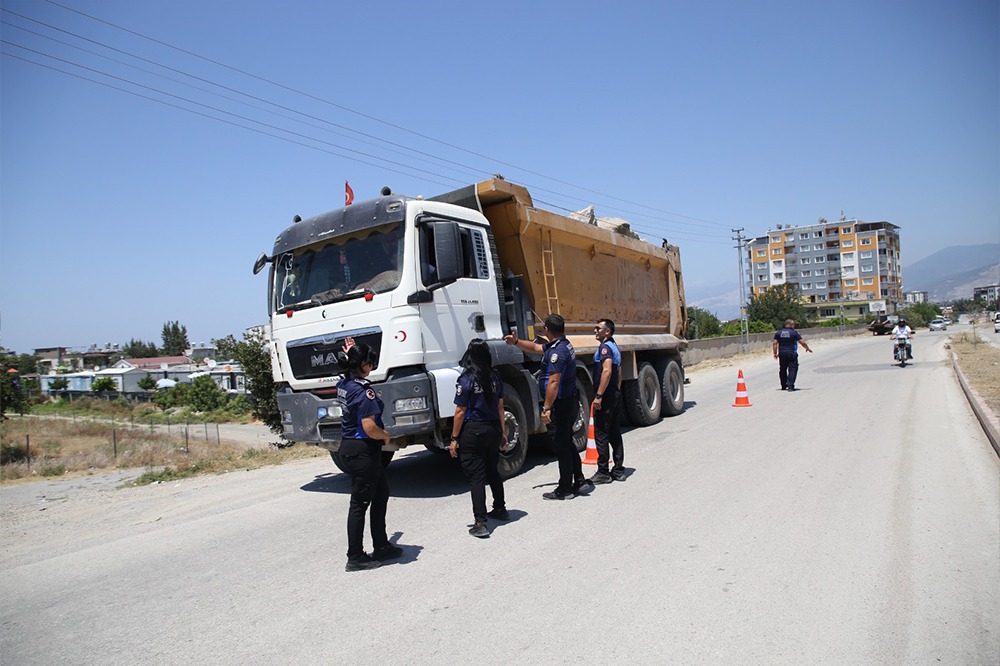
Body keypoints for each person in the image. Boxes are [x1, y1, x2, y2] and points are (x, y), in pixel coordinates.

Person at [504, 314, 593, 500]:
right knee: (567, 442)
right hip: (566, 401)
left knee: (561, 445)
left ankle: (565, 488)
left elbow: (553, 382)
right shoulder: (560, 345)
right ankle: (579, 479)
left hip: (560, 404)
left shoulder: (557, 352)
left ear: (547, 330)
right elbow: (536, 347)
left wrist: (546, 408)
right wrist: (516, 342)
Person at [336, 337, 403, 572]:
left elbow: (348, 369)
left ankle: (382, 545)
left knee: (381, 493)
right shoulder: (364, 392)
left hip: (353, 448)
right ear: (362, 364)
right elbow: (369, 427)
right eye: (369, 363)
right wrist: (385, 436)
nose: (372, 367)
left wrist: (352, 352)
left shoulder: (345, 383)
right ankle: (355, 556)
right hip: (362, 448)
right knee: (359, 504)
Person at [449, 339, 508, 538]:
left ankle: (480, 522)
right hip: (493, 429)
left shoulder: (466, 379)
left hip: (473, 431)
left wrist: (454, 438)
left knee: (476, 477)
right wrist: (503, 431)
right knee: (492, 470)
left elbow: (460, 411)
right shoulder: (495, 377)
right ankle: (500, 507)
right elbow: (500, 406)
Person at [589, 318, 625, 484]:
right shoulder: (614, 346)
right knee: (615, 433)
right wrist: (616, 391)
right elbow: (619, 372)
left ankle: (603, 471)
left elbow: (607, 371)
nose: (595, 331)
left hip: (606, 397)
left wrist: (599, 396)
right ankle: (618, 470)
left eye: (598, 328)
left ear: (607, 331)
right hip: (614, 394)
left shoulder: (605, 348)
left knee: (602, 433)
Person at [772, 319, 812, 391]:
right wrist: (807, 348)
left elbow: (774, 343)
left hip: (782, 353)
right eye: (794, 325)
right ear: (791, 325)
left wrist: (775, 353)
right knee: (793, 369)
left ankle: (783, 385)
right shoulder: (794, 333)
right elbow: (802, 342)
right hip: (791, 353)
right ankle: (790, 386)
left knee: (782, 369)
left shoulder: (779, 332)